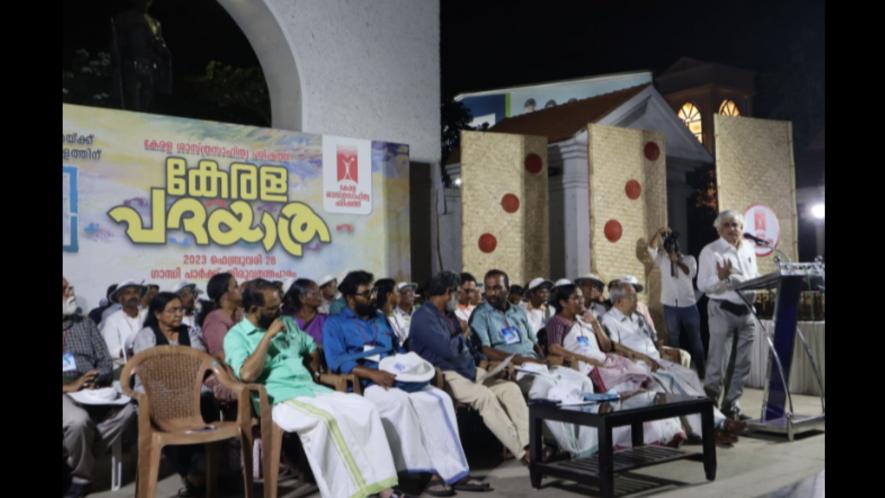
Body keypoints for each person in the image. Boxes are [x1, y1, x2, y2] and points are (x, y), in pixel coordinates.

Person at [225, 279, 403, 498]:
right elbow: (246, 374)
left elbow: (310, 346)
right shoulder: (236, 336)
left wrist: (314, 370)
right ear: (254, 310)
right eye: (272, 309)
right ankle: (347, 493)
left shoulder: (287, 323)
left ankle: (384, 489)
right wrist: (268, 337)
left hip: (310, 389)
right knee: (327, 419)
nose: (279, 311)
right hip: (279, 398)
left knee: (364, 407)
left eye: (279, 306)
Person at [324, 271, 488, 496]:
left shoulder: (380, 318)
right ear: (350, 298)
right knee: (399, 403)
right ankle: (421, 473)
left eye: (373, 291)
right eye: (366, 294)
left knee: (438, 399)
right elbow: (336, 361)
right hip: (367, 382)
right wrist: (373, 375)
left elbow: (398, 349)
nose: (373, 297)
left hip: (396, 375)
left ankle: (454, 470)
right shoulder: (334, 324)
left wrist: (408, 367)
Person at [470, 269, 597, 457]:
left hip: (538, 364)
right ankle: (567, 448)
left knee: (583, 381)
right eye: (488, 289)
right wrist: (524, 360)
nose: (492, 293)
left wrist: (542, 358)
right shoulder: (481, 314)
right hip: (515, 367)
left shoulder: (518, 311)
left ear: (507, 287)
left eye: (497, 288)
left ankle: (588, 447)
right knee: (547, 388)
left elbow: (533, 341)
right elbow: (485, 350)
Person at [410, 271, 532, 464]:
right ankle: (522, 453)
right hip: (446, 374)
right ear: (447, 293)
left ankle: (529, 445)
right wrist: (462, 332)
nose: (459, 298)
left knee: (510, 389)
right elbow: (447, 350)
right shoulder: (423, 317)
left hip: (469, 371)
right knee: (485, 397)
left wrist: (486, 361)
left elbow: (470, 348)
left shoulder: (449, 315)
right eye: (457, 293)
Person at [601, 281, 745, 444]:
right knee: (673, 381)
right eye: (633, 296)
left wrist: (659, 348)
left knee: (689, 376)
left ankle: (710, 425)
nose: (637, 299)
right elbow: (614, 350)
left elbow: (650, 340)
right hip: (638, 366)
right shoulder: (609, 320)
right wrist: (643, 358)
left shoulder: (637, 317)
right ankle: (715, 425)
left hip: (657, 360)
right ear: (619, 301)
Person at [545, 284, 686, 448]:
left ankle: (666, 432)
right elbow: (553, 347)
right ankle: (632, 438)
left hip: (605, 360)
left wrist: (595, 324)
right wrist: (584, 358)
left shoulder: (584, 320)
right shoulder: (557, 322)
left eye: (581, 297)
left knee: (645, 388)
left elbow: (605, 346)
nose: (581, 300)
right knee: (626, 392)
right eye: (576, 298)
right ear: (563, 303)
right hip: (587, 367)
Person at [132, 292, 224, 496]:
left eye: (180, 310)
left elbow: (199, 361)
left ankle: (202, 469)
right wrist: (179, 371)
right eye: (172, 310)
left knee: (207, 400)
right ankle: (190, 472)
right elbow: (150, 370)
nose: (178, 314)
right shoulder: (147, 335)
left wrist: (179, 371)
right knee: (170, 410)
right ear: (157, 313)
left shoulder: (189, 333)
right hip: (156, 390)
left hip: (188, 388)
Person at [63, 278, 137, 498]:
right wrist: (69, 387)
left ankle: (74, 459)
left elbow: (105, 360)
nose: (71, 294)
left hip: (92, 389)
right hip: (65, 391)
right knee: (78, 421)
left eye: (71, 288)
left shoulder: (84, 323)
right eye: (65, 290)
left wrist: (97, 376)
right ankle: (82, 478)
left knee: (129, 411)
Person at [698, 210, 759, 420]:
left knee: (742, 364)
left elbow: (754, 278)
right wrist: (721, 278)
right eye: (728, 225)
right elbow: (703, 286)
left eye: (737, 225)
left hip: (747, 312)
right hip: (722, 310)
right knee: (718, 362)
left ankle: (731, 406)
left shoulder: (749, 249)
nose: (733, 229)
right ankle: (710, 408)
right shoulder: (711, 251)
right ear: (719, 229)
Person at [649, 227, 705, 378]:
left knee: (695, 341)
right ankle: (676, 373)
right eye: (668, 247)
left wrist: (678, 262)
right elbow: (651, 249)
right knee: (673, 340)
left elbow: (690, 273)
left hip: (688, 306)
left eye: (673, 246)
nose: (671, 249)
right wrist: (658, 233)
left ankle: (702, 373)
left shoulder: (690, 259)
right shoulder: (663, 261)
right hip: (670, 307)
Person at [99, 280, 148, 364]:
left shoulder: (147, 315)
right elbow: (111, 350)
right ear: (120, 299)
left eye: (136, 292)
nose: (133, 296)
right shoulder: (112, 320)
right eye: (128, 293)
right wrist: (130, 350)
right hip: (124, 367)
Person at [197, 272, 243, 360]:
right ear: (224, 295)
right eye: (236, 286)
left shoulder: (239, 314)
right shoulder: (215, 320)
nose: (240, 289)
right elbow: (220, 356)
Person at [281, 278, 329, 345]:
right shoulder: (286, 323)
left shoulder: (327, 320)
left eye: (319, 291)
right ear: (302, 298)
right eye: (315, 293)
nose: (320, 295)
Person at [372, 279, 409, 346]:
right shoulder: (377, 319)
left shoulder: (398, 315)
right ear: (389, 295)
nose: (399, 294)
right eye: (397, 291)